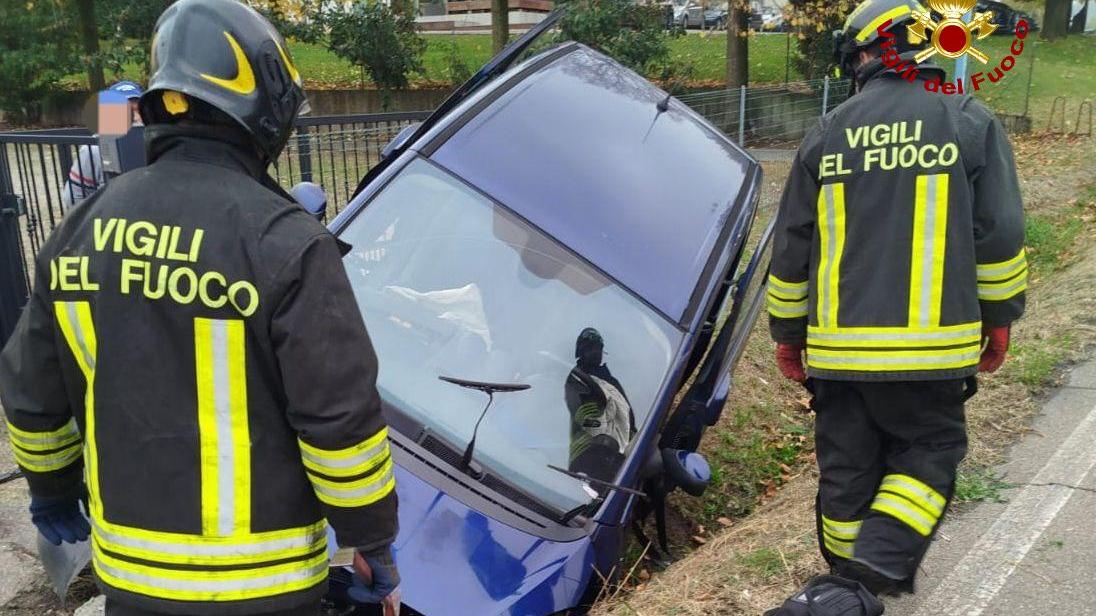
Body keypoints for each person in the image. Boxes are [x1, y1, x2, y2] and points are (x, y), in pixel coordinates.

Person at [0, 1, 401, 615]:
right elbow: (340, 425)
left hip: (131, 582)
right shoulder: (286, 241)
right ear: (264, 108)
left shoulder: (79, 229)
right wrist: (371, 537)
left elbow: (31, 392)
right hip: (268, 588)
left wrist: (50, 489)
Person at [764, 0, 1026, 612]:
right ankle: (859, 585)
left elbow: (791, 248)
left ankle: (837, 587)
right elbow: (1000, 235)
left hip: (834, 351)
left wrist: (787, 333)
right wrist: (999, 320)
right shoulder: (968, 121)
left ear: (868, 55)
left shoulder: (825, 134)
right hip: (932, 350)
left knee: (847, 467)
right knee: (927, 452)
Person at [565, 327, 636, 483]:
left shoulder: (612, 383)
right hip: (565, 448)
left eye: (598, 348)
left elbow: (628, 423)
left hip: (601, 457)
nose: (594, 352)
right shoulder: (570, 377)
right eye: (589, 347)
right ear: (579, 350)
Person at [60, 80, 144, 207]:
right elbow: (73, 197)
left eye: (139, 110)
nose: (136, 117)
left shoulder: (154, 143)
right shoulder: (93, 150)